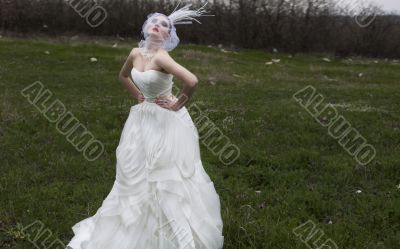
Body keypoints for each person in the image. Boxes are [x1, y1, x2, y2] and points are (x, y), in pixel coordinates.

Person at [66, 2, 224, 248]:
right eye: (155, 21)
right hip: (142, 117)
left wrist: (177, 104)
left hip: (166, 121)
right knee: (137, 169)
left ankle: (172, 229)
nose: (158, 25)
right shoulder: (135, 53)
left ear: (168, 35)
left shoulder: (162, 57)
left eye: (164, 25)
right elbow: (123, 76)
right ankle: (134, 221)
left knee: (164, 175)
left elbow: (192, 81)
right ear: (146, 28)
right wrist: (138, 96)